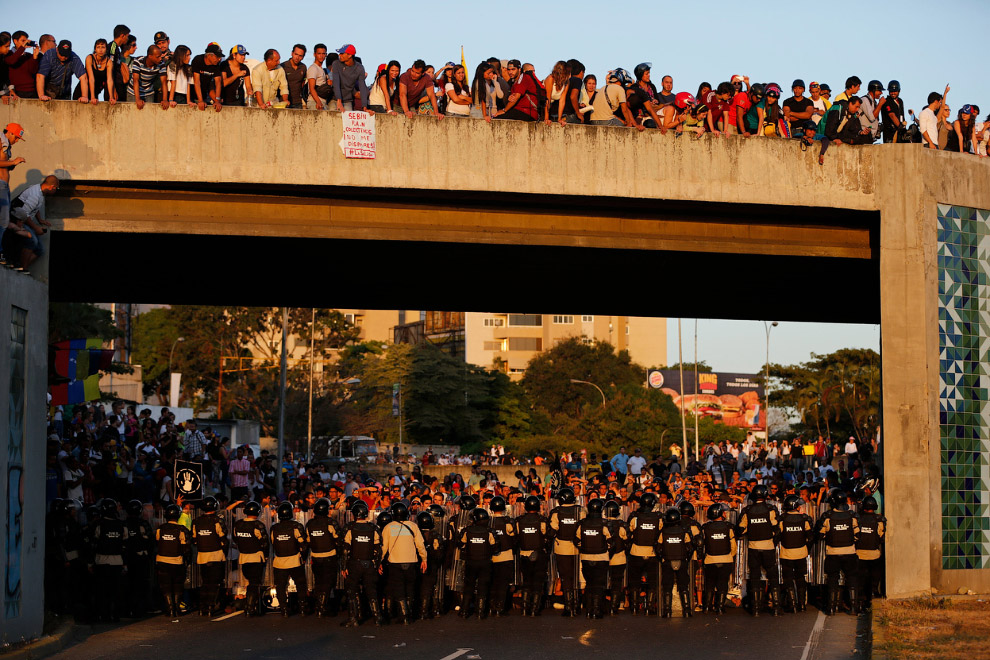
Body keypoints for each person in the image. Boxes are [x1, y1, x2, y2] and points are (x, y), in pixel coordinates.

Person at [736, 484, 781, 616]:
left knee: (755, 577)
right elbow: (777, 528)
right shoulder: (771, 509)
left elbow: (740, 529)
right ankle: (777, 608)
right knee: (773, 577)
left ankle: (755, 609)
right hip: (768, 547)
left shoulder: (747, 510)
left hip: (753, 547)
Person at [380, 501, 427, 625]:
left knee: (399, 589)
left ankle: (404, 616)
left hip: (395, 563)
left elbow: (383, 548)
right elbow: (420, 545)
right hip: (412, 562)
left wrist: (378, 561)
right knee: (410, 588)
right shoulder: (413, 526)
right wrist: (424, 559)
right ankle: (409, 613)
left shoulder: (388, 527)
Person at [815, 490, 859, 615]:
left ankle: (831, 608)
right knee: (851, 579)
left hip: (833, 553)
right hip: (849, 552)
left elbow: (820, 534)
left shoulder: (827, 517)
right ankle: (854, 608)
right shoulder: (852, 516)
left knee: (833, 580)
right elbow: (858, 535)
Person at [342, 500, 383, 627]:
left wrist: (344, 566)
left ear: (354, 514)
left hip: (354, 564)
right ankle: (378, 618)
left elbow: (345, 549)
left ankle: (353, 619)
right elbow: (378, 549)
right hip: (369, 564)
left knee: (352, 591)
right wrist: (376, 564)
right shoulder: (373, 528)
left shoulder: (350, 528)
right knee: (372, 591)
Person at [89, 498, 129, 621]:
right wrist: (125, 564)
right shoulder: (122, 525)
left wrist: (90, 563)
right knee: (116, 590)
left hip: (101, 562)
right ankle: (115, 615)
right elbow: (125, 546)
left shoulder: (99, 525)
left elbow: (93, 544)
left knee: (102, 591)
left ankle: (104, 615)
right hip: (117, 562)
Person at [7, 174, 56, 269]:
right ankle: (23, 269)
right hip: (16, 219)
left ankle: (20, 267)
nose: (55, 190)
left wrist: (40, 220)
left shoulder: (40, 191)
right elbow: (24, 214)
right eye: (56, 188)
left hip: (23, 219)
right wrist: (36, 228)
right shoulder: (35, 194)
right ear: (52, 187)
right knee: (32, 241)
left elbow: (34, 207)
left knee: (40, 250)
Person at [270, 501, 309, 617]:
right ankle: (302, 608)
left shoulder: (274, 528)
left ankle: (284, 610)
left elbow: (273, 543)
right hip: (295, 560)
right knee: (301, 585)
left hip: (279, 562)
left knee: (281, 586)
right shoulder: (296, 526)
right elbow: (303, 544)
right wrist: (304, 557)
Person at [457, 507, 497, 619]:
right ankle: (480, 612)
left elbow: (461, 544)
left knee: (468, 586)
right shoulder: (489, 532)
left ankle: (464, 611)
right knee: (482, 587)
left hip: (471, 562)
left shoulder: (467, 531)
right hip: (485, 562)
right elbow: (495, 548)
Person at [626, 491, 662, 615]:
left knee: (634, 581)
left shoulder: (635, 517)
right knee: (653, 581)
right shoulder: (658, 517)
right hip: (652, 553)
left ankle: (634, 607)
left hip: (636, 552)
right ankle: (651, 607)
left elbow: (629, 532)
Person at [192, 496, 229, 616]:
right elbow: (223, 538)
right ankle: (211, 606)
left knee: (205, 582)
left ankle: (202, 607)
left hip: (202, 556)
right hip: (216, 555)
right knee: (215, 582)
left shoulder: (196, 521)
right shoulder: (217, 520)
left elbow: (194, 539)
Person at [575, 499, 611, 619]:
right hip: (602, 558)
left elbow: (576, 539)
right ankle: (597, 609)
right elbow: (611, 541)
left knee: (589, 584)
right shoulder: (604, 523)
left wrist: (584, 548)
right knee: (599, 585)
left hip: (586, 557)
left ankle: (589, 610)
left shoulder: (582, 523)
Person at [306, 497, 342, 617]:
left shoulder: (310, 524)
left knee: (319, 582)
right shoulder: (330, 522)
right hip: (329, 556)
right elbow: (338, 538)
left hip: (315, 557)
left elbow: (308, 540)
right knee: (328, 583)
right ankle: (321, 608)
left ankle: (319, 606)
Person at [232, 501, 269, 617]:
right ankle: (250, 607)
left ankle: (250, 606)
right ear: (258, 512)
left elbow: (235, 539)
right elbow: (264, 543)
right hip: (256, 557)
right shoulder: (258, 525)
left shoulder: (238, 525)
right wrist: (266, 555)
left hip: (243, 558)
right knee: (254, 583)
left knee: (250, 582)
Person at [514, 495, 549, 616]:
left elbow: (516, 537)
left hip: (524, 553)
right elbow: (546, 536)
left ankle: (524, 609)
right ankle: (534, 609)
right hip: (539, 554)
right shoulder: (542, 520)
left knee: (527, 582)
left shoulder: (519, 520)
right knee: (538, 583)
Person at [778, 494, 813, 613]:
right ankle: (802, 605)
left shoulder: (782, 519)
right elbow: (810, 537)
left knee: (788, 579)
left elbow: (777, 536)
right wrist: (806, 549)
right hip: (801, 553)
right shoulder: (804, 519)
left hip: (786, 553)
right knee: (800, 578)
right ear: (797, 507)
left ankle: (792, 604)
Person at [657, 507, 692, 618]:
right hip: (682, 560)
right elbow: (690, 547)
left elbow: (658, 548)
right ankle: (687, 610)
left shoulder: (663, 532)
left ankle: (667, 611)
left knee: (667, 587)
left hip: (667, 561)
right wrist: (686, 558)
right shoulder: (684, 531)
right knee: (684, 587)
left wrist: (662, 559)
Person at [155, 503, 189, 617]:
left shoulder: (160, 529)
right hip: (177, 561)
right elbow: (186, 548)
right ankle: (177, 609)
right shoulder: (182, 529)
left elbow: (157, 543)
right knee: (178, 585)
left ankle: (169, 610)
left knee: (166, 585)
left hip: (162, 561)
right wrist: (186, 561)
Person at [700, 502, 735, 614]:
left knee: (709, 584)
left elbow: (701, 544)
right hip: (726, 559)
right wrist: (730, 555)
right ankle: (720, 607)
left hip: (710, 559)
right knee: (722, 584)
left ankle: (706, 607)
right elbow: (733, 545)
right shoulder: (728, 527)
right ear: (721, 514)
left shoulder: (705, 527)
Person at [0, 122, 26, 263]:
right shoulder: (0, 140)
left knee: (3, 222)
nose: (16, 141)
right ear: (9, 133)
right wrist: (13, 162)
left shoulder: (7, 147)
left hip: (4, 186)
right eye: (16, 138)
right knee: (2, 221)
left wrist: (12, 165)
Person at [855, 495, 885, 613]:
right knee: (873, 581)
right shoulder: (879, 520)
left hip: (859, 554)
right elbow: (881, 536)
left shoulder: (857, 519)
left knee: (860, 581)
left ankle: (861, 602)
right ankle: (871, 600)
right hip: (874, 555)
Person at [123, 500, 153, 618]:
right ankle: (140, 609)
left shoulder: (124, 524)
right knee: (141, 584)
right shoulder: (143, 524)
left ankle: (128, 609)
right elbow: (150, 541)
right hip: (141, 558)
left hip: (127, 559)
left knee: (128, 585)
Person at [488, 496, 516, 616]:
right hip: (506, 556)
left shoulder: (487, 522)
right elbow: (514, 538)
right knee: (503, 584)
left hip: (491, 557)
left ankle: (491, 607)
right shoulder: (507, 522)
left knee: (492, 582)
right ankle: (500, 608)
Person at [415, 509, 444, 620]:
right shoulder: (436, 535)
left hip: (418, 563)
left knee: (418, 587)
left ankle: (419, 610)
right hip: (432, 565)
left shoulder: (415, 534)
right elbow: (440, 553)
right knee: (427, 588)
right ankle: (424, 611)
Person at [331, 44, 370, 113]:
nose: (339, 55)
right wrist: (339, 101)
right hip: (334, 99)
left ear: (349, 55)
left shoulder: (359, 68)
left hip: (347, 100)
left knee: (347, 121)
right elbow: (336, 83)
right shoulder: (336, 64)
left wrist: (365, 107)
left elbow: (362, 87)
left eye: (342, 53)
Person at [130, 45, 167, 110]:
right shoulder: (138, 61)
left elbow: (164, 82)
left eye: (160, 56)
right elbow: (136, 80)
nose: (160, 59)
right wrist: (138, 99)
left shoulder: (161, 64)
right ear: (150, 56)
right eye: (157, 57)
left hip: (149, 92)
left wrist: (165, 100)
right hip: (133, 92)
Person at [191, 43, 224, 112]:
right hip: (192, 95)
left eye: (220, 57)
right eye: (217, 57)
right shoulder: (198, 60)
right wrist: (200, 100)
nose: (219, 59)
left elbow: (218, 83)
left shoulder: (216, 65)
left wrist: (217, 101)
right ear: (209, 55)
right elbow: (196, 82)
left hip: (205, 94)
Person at [107, 25, 130, 103]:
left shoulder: (117, 48)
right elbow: (110, 69)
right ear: (122, 36)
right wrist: (113, 89)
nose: (127, 38)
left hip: (119, 84)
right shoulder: (112, 47)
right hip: (114, 86)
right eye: (127, 36)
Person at [281, 44, 307, 109]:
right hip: (283, 102)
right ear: (292, 53)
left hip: (298, 102)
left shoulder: (303, 67)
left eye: (300, 56)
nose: (297, 57)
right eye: (296, 54)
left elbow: (303, 83)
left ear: (303, 57)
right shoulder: (283, 66)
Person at [307, 44, 333, 110]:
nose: (321, 56)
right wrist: (318, 102)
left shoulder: (322, 70)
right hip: (315, 102)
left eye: (323, 54)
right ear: (314, 54)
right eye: (319, 53)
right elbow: (311, 88)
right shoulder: (313, 68)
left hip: (323, 102)